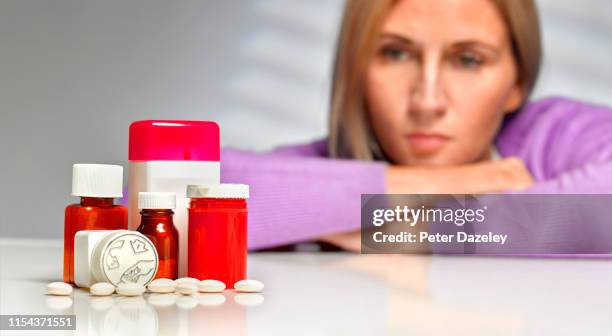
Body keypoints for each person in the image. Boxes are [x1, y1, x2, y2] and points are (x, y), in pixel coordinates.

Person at [222, 0, 612, 251]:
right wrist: (445, 184)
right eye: (396, 54)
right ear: (356, 70)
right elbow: (186, 191)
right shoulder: (329, 163)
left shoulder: (551, 135)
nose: (427, 102)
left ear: (518, 83)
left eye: (469, 60)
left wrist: (411, 232)